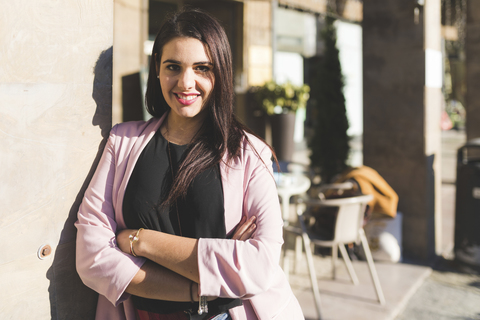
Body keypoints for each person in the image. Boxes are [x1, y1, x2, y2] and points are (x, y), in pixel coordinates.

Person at [75, 8, 304, 320]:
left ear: (220, 72)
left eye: (202, 68)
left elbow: (258, 267)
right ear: (156, 68)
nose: (186, 82)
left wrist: (138, 240)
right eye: (173, 66)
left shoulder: (250, 153)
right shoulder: (122, 142)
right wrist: (200, 288)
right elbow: (91, 256)